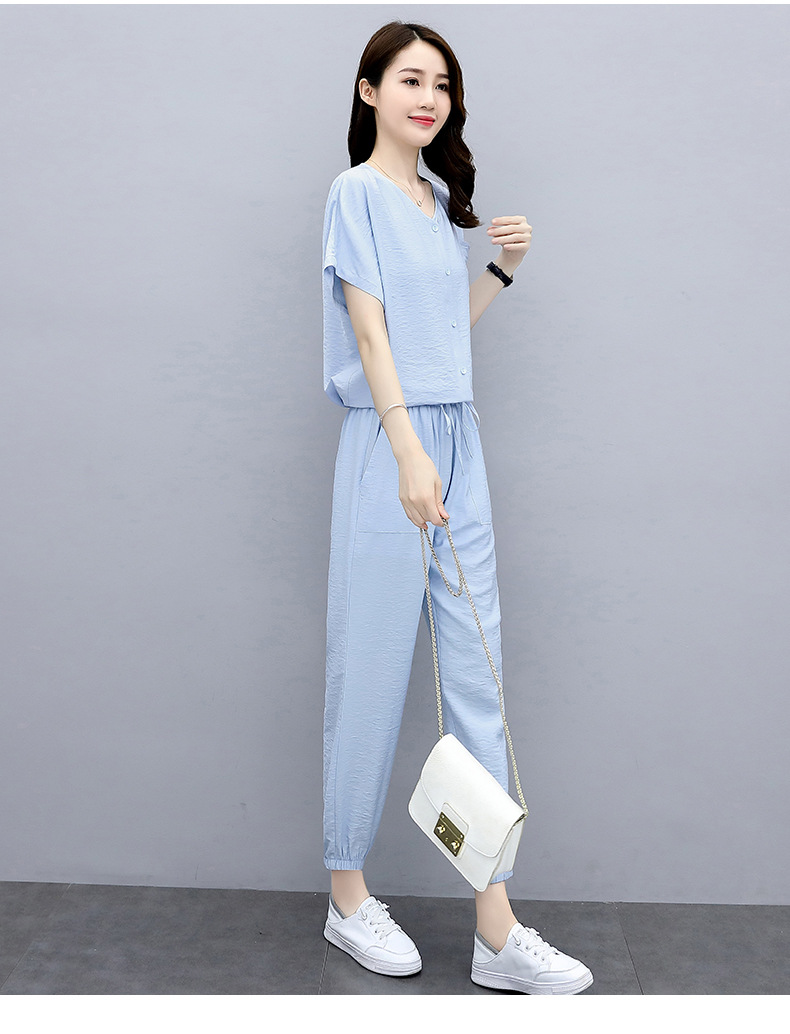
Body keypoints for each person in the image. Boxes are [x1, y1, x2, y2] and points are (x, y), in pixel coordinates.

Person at [320, 20, 593, 995]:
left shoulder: (436, 200)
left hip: (456, 440)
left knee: (479, 670)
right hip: (387, 443)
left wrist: (500, 271)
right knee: (371, 667)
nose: (427, 97)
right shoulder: (354, 193)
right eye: (408, 79)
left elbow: (440, 334)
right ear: (369, 92)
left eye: (440, 83)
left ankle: (495, 928)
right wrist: (405, 452)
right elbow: (371, 334)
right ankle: (346, 893)